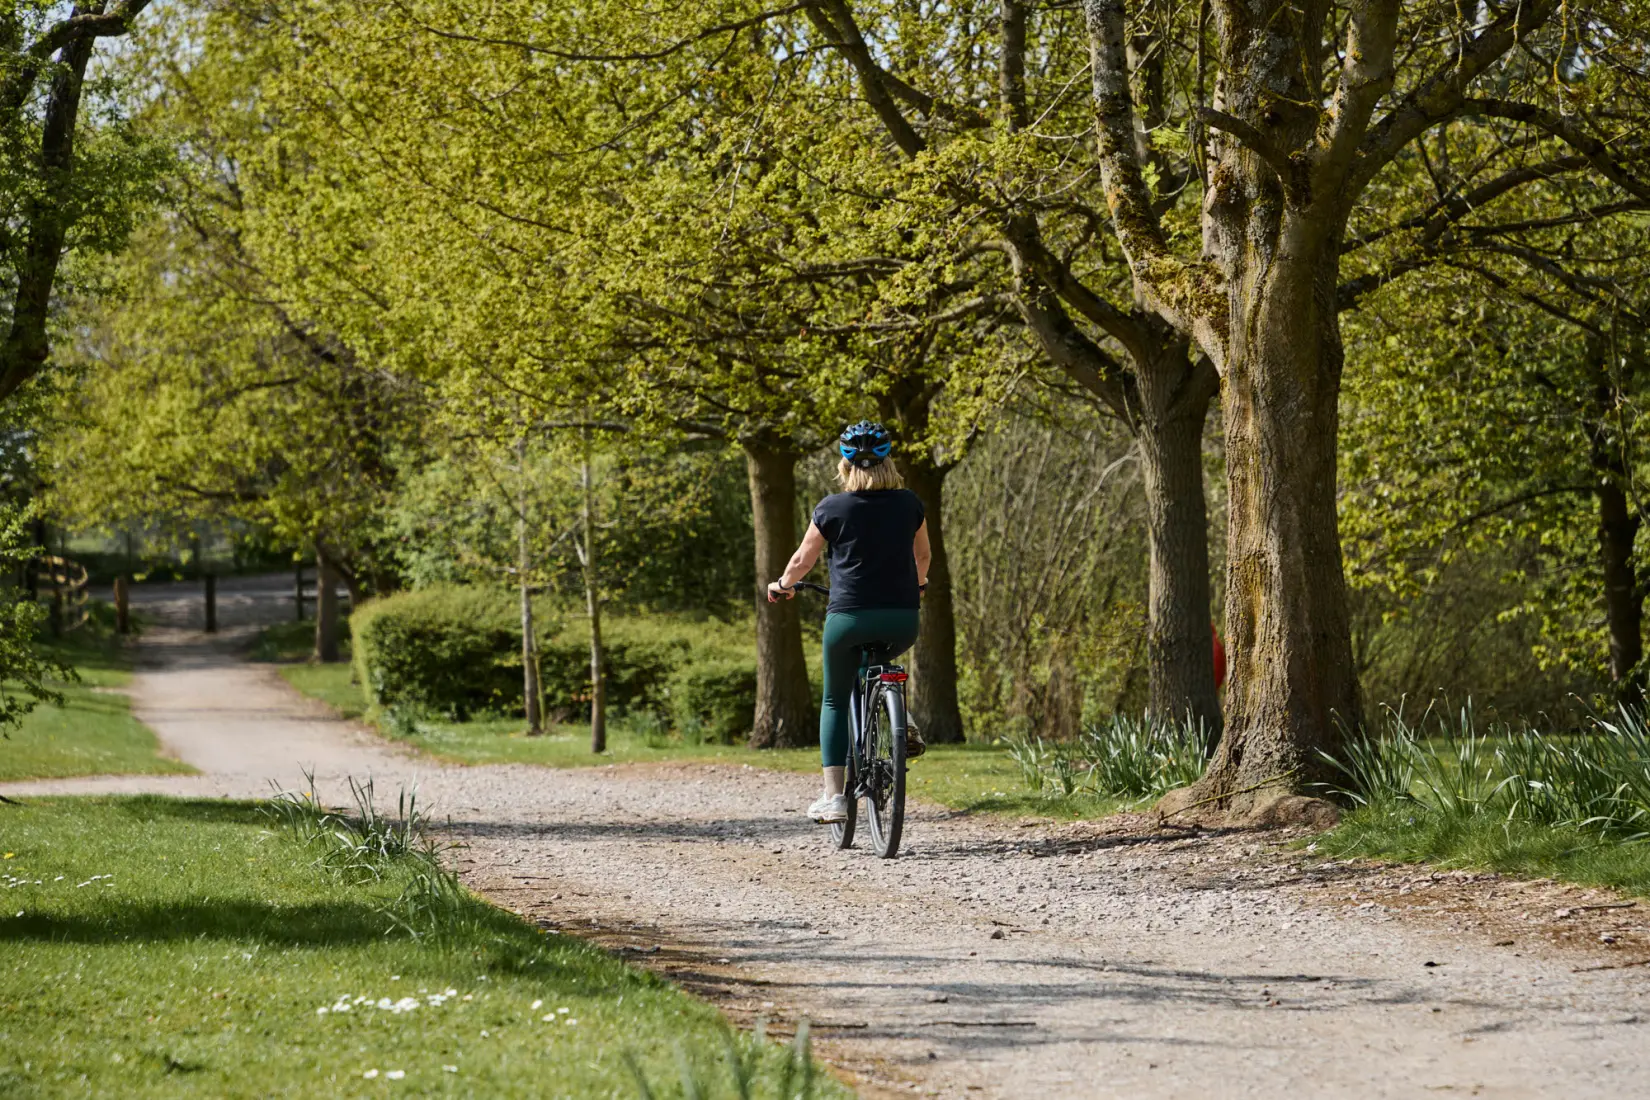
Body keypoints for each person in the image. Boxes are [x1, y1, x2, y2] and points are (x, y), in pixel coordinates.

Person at [767, 420, 931, 824]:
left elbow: (802, 561)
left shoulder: (831, 508)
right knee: (880, 659)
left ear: (844, 464)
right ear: (887, 461)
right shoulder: (910, 503)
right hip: (902, 621)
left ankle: (834, 797)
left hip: (849, 619)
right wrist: (920, 585)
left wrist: (783, 585)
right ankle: (901, 717)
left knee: (835, 699)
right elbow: (923, 557)